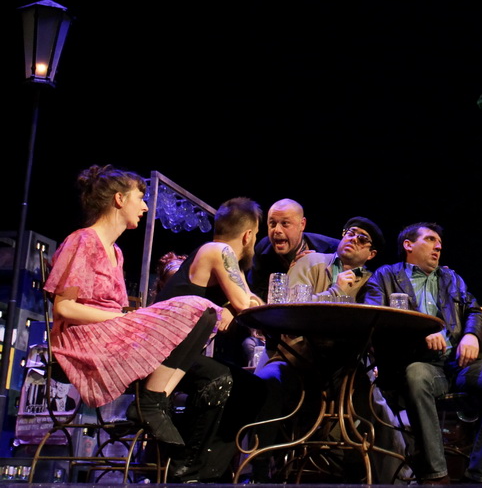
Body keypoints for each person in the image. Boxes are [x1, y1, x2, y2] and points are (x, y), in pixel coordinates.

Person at [44, 165, 220, 446]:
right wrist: (121, 318)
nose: (145, 207)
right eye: (140, 198)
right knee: (195, 306)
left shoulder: (116, 252)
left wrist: (131, 317)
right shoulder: (83, 241)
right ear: (119, 199)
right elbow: (64, 308)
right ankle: (150, 404)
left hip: (110, 331)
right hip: (82, 340)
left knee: (206, 313)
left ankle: (156, 400)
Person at [364, 222, 482, 484]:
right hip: (416, 364)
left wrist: (472, 335)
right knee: (416, 374)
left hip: (456, 364)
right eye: (430, 239)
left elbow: (474, 311)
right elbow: (376, 320)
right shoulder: (386, 276)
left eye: (439, 242)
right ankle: (436, 475)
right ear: (408, 245)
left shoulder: (452, 278)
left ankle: (479, 474)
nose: (438, 246)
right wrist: (420, 331)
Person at [158, 197, 276, 480]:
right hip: (162, 357)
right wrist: (236, 305)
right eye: (256, 235)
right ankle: (188, 468)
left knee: (254, 388)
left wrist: (232, 307)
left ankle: (214, 472)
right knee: (222, 380)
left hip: (179, 357)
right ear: (248, 235)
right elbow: (247, 303)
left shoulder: (224, 258)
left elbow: (248, 300)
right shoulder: (217, 250)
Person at [248, 198, 339, 299]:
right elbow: (254, 294)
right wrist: (290, 274)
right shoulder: (263, 250)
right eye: (272, 224)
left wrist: (312, 263)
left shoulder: (331, 248)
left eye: (285, 223)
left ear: (302, 224)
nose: (277, 230)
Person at [287, 216, 382, 301]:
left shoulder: (371, 283)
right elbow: (291, 303)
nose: (353, 239)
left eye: (362, 239)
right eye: (350, 233)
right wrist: (336, 292)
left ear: (371, 254)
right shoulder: (309, 261)